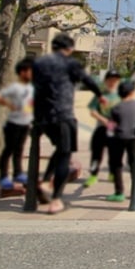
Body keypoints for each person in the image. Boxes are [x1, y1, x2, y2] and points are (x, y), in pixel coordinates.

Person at [33, 33, 105, 215]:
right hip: (63, 115)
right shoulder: (70, 63)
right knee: (65, 154)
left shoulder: (39, 63)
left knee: (59, 149)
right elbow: (88, 81)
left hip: (42, 118)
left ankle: (45, 181)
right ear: (70, 49)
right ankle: (55, 199)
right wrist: (100, 95)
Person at [0, 58, 34, 190]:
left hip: (25, 123)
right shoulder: (15, 87)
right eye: (31, 71)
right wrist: (10, 105)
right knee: (9, 150)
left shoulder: (31, 88)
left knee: (19, 149)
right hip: (13, 124)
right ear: (22, 72)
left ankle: (18, 173)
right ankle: (3, 176)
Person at [105, 79, 135, 202]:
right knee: (134, 165)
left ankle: (119, 192)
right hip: (133, 139)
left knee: (117, 165)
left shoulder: (116, 108)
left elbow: (111, 126)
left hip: (119, 138)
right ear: (132, 92)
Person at [83, 70, 122, 188]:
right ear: (106, 81)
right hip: (101, 129)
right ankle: (93, 175)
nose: (112, 83)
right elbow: (93, 111)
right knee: (96, 154)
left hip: (115, 130)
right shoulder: (100, 95)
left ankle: (112, 173)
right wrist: (104, 121)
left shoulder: (121, 96)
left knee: (113, 154)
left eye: (115, 80)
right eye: (110, 80)